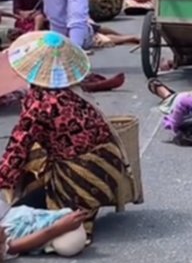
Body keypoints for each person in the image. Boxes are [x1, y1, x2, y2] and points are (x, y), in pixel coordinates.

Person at [0, 31, 138, 239]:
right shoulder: (74, 91)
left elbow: (16, 151)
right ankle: (82, 206)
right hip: (110, 166)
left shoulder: (39, 103)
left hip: (81, 176)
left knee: (20, 216)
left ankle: (72, 210)